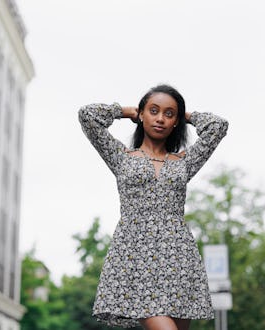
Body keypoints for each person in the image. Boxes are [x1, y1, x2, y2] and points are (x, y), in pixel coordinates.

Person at [78, 84, 229, 330]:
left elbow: (218, 126)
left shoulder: (184, 162)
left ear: (175, 122)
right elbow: (88, 115)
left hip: (178, 257)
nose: (160, 118)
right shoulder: (122, 157)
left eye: (169, 114)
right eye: (154, 111)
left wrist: (184, 116)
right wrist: (127, 111)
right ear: (142, 114)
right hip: (135, 255)